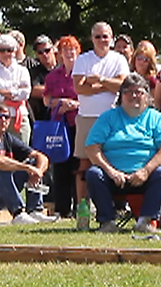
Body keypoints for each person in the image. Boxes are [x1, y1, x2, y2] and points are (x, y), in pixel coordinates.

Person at [85, 74, 161, 233]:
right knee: (94, 173)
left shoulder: (156, 118)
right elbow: (92, 148)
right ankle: (107, 223)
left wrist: (146, 171)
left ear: (147, 96)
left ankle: (145, 222)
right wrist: (111, 171)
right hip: (113, 177)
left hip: (145, 176)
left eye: (139, 92)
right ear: (121, 96)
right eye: (128, 92)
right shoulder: (108, 117)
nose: (134, 96)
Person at [72, 22, 130, 219]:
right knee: (84, 165)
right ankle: (82, 209)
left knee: (114, 161)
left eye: (105, 36)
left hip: (113, 117)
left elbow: (122, 86)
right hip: (87, 117)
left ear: (111, 38)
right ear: (92, 38)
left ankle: (114, 207)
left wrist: (99, 80)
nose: (102, 40)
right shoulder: (83, 59)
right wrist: (108, 84)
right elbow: (79, 89)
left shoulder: (119, 59)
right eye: (98, 36)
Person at [43, 35, 81, 219]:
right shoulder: (52, 76)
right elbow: (46, 99)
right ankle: (62, 208)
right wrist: (60, 102)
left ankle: (79, 207)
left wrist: (75, 104)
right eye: (65, 50)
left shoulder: (83, 74)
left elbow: (90, 97)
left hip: (78, 123)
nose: (69, 53)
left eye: (72, 49)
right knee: (60, 166)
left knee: (78, 166)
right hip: (59, 126)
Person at [0, 34, 32, 145]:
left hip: (18, 118)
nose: (6, 54)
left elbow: (26, 93)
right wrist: (14, 94)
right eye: (2, 50)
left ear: (14, 51)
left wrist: (1, 92)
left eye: (9, 50)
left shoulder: (22, 70)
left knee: (21, 154)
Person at [28, 35, 57, 124]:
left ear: (53, 49)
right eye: (40, 52)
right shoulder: (34, 71)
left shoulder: (63, 67)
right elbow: (34, 90)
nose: (44, 54)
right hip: (42, 119)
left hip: (65, 116)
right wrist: (62, 90)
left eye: (47, 50)